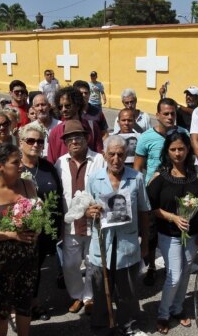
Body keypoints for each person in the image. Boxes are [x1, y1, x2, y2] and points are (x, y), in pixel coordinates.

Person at [146, 130, 198, 334]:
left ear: (188, 150)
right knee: (174, 275)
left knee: (186, 272)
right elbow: (151, 207)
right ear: (167, 152)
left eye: (181, 149)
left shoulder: (196, 175)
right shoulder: (160, 177)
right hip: (169, 235)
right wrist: (173, 217)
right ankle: (163, 313)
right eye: (173, 149)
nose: (178, 153)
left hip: (193, 234)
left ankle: (177, 308)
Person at [84, 135, 151, 336]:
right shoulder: (94, 178)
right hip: (101, 244)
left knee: (127, 292)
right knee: (101, 290)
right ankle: (101, 327)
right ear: (104, 155)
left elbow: (144, 211)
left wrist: (145, 242)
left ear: (126, 155)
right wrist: (89, 212)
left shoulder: (136, 178)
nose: (116, 159)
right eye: (111, 154)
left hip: (127, 244)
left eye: (120, 154)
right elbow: (86, 207)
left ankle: (127, 326)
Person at [0, 143, 40, 336]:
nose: (21, 165)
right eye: (15, 162)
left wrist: (37, 229)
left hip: (27, 258)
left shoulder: (28, 186)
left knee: (24, 304)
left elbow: (38, 215)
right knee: (0, 309)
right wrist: (11, 235)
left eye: (20, 161)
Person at [134, 98, 188, 285]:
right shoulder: (146, 137)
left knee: (173, 230)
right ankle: (151, 267)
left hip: (177, 191)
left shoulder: (183, 134)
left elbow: (188, 163)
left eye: (173, 113)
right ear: (157, 115)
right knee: (151, 233)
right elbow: (137, 168)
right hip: (154, 193)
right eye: (165, 113)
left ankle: (172, 265)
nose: (170, 117)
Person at [54, 120, 106, 314]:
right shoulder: (60, 162)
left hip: (93, 222)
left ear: (87, 138)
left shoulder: (99, 159)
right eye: (69, 138)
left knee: (92, 262)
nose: (74, 141)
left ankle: (89, 297)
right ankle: (76, 295)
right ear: (65, 142)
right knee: (70, 264)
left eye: (78, 137)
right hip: (71, 224)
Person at [19, 122, 64, 321]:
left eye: (39, 141)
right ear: (21, 142)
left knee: (35, 268)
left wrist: (60, 226)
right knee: (21, 269)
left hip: (45, 230)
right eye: (30, 140)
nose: (35, 144)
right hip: (20, 231)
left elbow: (59, 196)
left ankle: (33, 304)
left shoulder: (47, 167)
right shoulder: (14, 166)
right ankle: (19, 307)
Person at [47, 86, 104, 163]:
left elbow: (99, 157)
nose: (63, 109)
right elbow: (51, 161)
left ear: (77, 105)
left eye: (67, 106)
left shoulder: (92, 127)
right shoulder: (55, 132)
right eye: (60, 107)